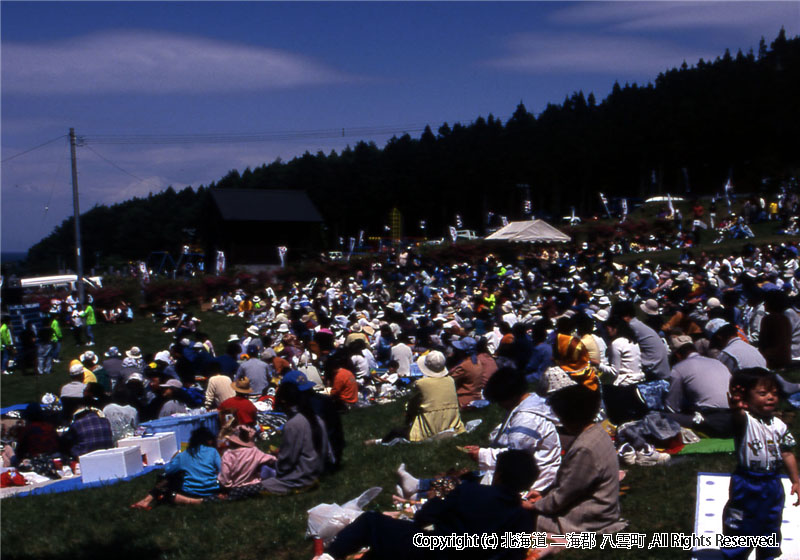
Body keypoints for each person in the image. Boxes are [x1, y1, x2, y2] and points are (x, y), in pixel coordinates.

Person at [322, 449, 538, 560]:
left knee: (371, 522)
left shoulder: (467, 490)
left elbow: (424, 515)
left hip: (431, 552)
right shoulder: (524, 518)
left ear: (498, 474)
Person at [531, 385, 627, 555]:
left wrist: (534, 506)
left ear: (568, 417)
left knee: (518, 519)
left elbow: (563, 495)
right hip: (604, 510)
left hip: (589, 519)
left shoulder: (585, 448)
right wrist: (543, 496)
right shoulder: (598, 432)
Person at [723, 368, 799, 560]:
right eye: (763, 393)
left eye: (774, 393)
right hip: (747, 482)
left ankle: (766, 554)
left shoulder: (779, 425)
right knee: (740, 522)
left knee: (771, 521)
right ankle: (735, 554)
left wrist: (796, 480)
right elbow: (738, 417)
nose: (770, 398)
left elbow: (787, 453)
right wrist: (736, 407)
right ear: (747, 399)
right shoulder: (746, 421)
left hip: (772, 482)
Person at [462, 367, 561, 492]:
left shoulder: (527, 419)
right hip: (529, 471)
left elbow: (515, 458)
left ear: (510, 397)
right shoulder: (528, 404)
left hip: (534, 481)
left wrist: (482, 454)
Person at [260, 382, 330, 495]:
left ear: (283, 402)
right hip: (317, 470)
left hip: (300, 478)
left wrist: (275, 464)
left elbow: (287, 462)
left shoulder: (293, 424)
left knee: (260, 483)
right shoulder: (316, 418)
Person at [131, 426, 221, 509]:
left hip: (191, 492)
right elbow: (221, 469)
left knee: (169, 478)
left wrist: (175, 458)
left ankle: (147, 500)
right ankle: (146, 501)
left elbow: (168, 471)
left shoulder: (183, 455)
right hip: (211, 490)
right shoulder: (213, 451)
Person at [664, 335, 733, 438]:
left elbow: (672, 407)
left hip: (709, 419)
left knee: (662, 417)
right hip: (733, 417)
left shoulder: (678, 368)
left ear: (677, 355)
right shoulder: (717, 362)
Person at [217, 425, 276, 500]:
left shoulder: (228, 455)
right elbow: (272, 459)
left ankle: (225, 497)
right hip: (254, 487)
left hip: (235, 488)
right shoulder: (255, 451)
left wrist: (227, 487)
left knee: (220, 490)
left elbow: (225, 476)